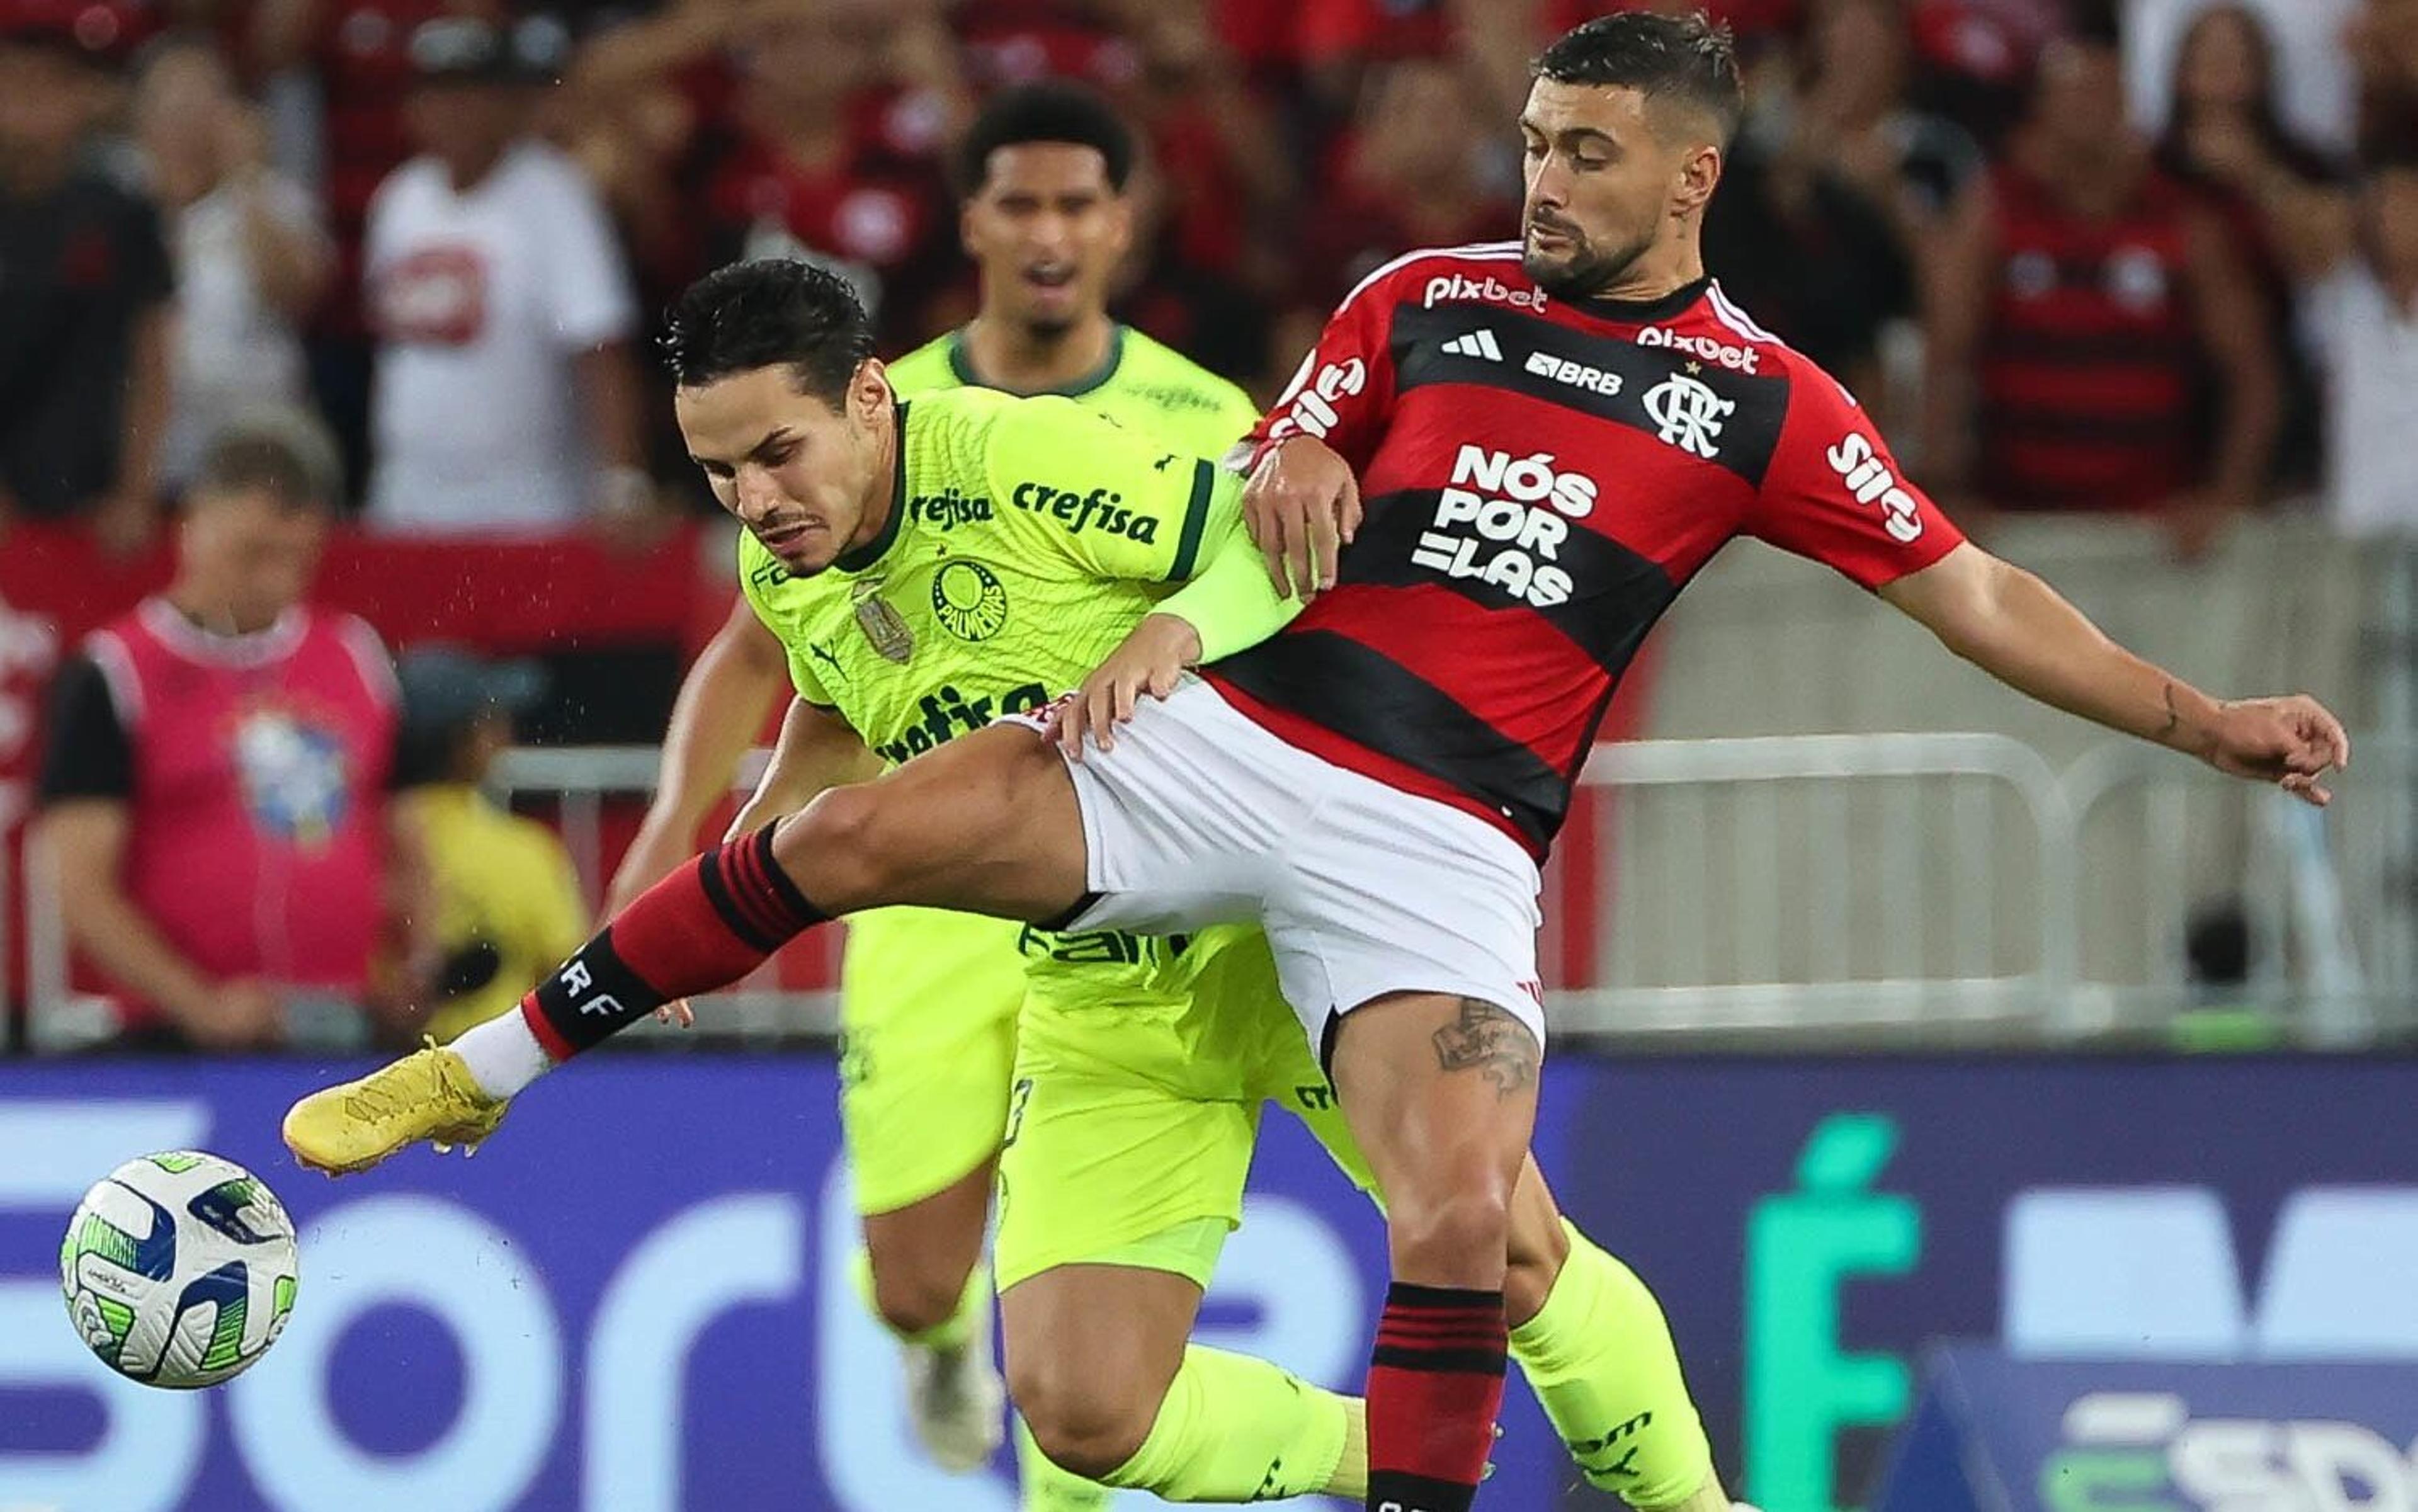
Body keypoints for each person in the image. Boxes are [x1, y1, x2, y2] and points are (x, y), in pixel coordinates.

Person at [287, 14, 2350, 1511]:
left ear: (1692, 177)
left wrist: (2206, 717)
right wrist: (1226, 563)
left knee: (1484, 1235)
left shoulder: (1765, 406)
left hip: (1444, 842)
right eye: (1534, 141)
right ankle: (487, 1072)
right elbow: (1276, 455)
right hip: (1245, 751)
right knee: (863, 872)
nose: (1541, 180)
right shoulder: (1421, 296)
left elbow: (1977, 592)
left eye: (1588, 154)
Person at [604, 82, 1271, 1501]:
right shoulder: (852, 407)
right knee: (913, 1274)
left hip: (1120, 882)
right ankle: (936, 1337)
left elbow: (1258, 591)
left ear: (1122, 223)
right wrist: (676, 832)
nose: (1047, 232)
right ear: (970, 220)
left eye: (1075, 204)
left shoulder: (1201, 415)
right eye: (1017, 203)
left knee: (1082, 1291)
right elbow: (759, 653)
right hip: (923, 887)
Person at [33, 410, 426, 1051]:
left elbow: (407, 834)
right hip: (173, 1040)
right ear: (192, 526)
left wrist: (417, 954)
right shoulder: (117, 670)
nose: (275, 578)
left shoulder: (356, 653)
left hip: (346, 1026)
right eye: (253, 553)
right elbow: (77, 882)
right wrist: (200, 1005)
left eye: (297, 558)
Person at [1922, 21, 2281, 555]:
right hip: (2020, 529)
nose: (2084, 115)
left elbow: (2253, 376)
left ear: (2126, 108)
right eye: (2069, 98)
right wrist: (1948, 489)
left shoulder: (2183, 221)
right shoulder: (1995, 214)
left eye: (2099, 96)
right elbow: (1946, 356)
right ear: (2040, 111)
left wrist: (2226, 494)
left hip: (2151, 531)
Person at [362, 14, 650, 535]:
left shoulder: (554, 194)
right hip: (406, 498)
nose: (454, 110)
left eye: (471, 94)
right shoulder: (398, 199)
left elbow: (601, 347)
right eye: (439, 93)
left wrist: (622, 481)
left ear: (506, 104)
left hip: (528, 502)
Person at [0, 0, 174, 550]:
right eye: (17, 83)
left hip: (96, 506)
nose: (32, 104)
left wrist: (135, 492)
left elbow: (152, 363)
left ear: (85, 96)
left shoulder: (123, 213)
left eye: (55, 84)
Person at [132, 34, 333, 494]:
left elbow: (297, 292)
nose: (188, 117)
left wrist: (245, 175)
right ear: (141, 114)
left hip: (254, 443)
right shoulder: (121, 204)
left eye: (205, 98)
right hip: (157, 449)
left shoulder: (272, 199)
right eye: (173, 100)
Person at [391, 647, 587, 1044]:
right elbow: (569, 981)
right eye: (490, 721)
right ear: (462, 741)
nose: (505, 733)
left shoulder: (355, 841)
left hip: (363, 1067)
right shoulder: (523, 851)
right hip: (493, 1071)